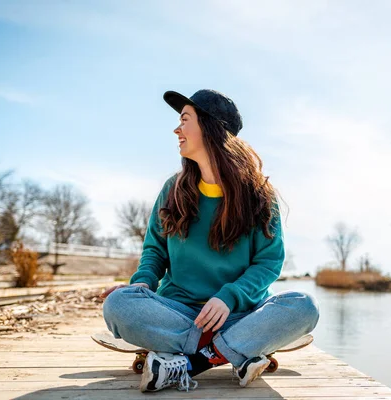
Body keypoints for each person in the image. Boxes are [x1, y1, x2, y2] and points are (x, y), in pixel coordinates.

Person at [101, 89, 320, 393]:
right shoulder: (173, 189)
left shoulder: (259, 194)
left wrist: (229, 297)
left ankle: (191, 363)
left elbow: (268, 263)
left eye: (185, 120)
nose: (177, 129)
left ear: (210, 127)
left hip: (239, 313)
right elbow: (155, 252)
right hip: (180, 312)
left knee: (304, 306)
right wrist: (142, 283)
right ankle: (236, 350)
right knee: (118, 304)